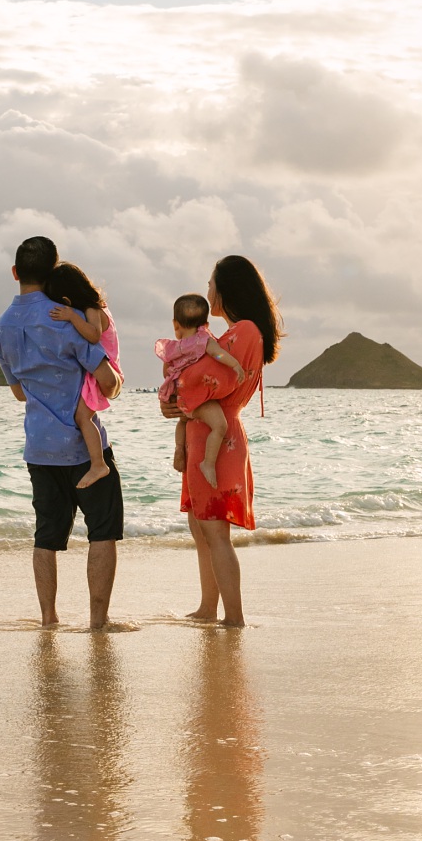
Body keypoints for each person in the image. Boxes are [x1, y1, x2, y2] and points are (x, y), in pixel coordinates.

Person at [0, 236, 124, 631]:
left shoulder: (0, 328)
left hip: (39, 446)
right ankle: (97, 622)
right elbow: (107, 380)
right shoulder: (63, 319)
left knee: (46, 536)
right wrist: (115, 379)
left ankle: (49, 619)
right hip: (84, 449)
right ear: (52, 273)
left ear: (15, 273)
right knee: (102, 531)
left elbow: (18, 392)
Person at [161, 255, 281, 628]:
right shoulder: (229, 334)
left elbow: (208, 379)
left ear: (226, 289)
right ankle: (208, 607)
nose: (207, 289)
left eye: (211, 283)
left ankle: (234, 617)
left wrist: (176, 396)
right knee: (200, 527)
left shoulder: (243, 331)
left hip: (219, 433)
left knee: (214, 530)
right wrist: (179, 404)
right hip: (203, 431)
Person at [44, 261, 122, 490]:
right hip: (100, 369)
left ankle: (98, 464)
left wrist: (71, 316)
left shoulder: (92, 309)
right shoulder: (97, 306)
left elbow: (94, 335)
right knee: (81, 416)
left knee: (82, 417)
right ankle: (96, 462)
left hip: (104, 370)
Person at [155, 293, 244, 485]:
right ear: (206, 324)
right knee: (220, 426)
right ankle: (208, 463)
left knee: (183, 422)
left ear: (175, 324)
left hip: (180, 398)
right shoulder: (203, 341)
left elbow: (166, 372)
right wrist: (235, 364)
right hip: (198, 399)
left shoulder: (173, 348)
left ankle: (179, 448)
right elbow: (219, 354)